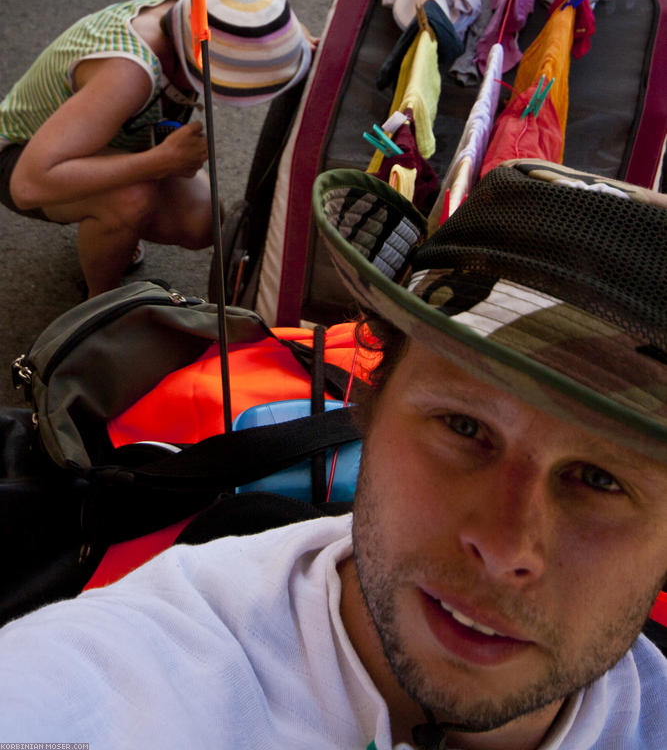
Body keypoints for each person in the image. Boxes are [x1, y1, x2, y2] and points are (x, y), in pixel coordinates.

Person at [0, 158, 666, 750]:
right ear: (369, 408)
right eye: (464, 428)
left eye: (598, 478)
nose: (502, 546)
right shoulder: (115, 678)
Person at [0, 0, 313, 297]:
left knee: (202, 222)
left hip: (101, 139)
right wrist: (160, 161)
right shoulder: (128, 73)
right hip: (20, 157)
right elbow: (28, 184)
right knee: (130, 199)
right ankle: (101, 302)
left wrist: (293, 44)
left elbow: (257, 19)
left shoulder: (197, 13)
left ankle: (116, 233)